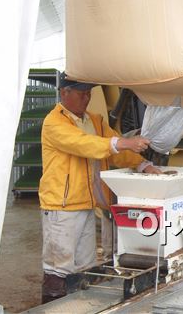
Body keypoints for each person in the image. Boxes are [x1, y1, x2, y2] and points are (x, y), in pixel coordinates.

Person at [39, 72, 161, 303]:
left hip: (87, 202)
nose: (87, 97)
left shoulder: (94, 120)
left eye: (89, 93)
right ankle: (52, 305)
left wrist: (143, 164)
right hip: (61, 206)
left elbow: (117, 154)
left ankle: (76, 305)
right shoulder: (54, 122)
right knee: (58, 266)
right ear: (64, 93)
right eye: (81, 93)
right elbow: (84, 144)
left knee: (85, 264)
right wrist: (122, 142)